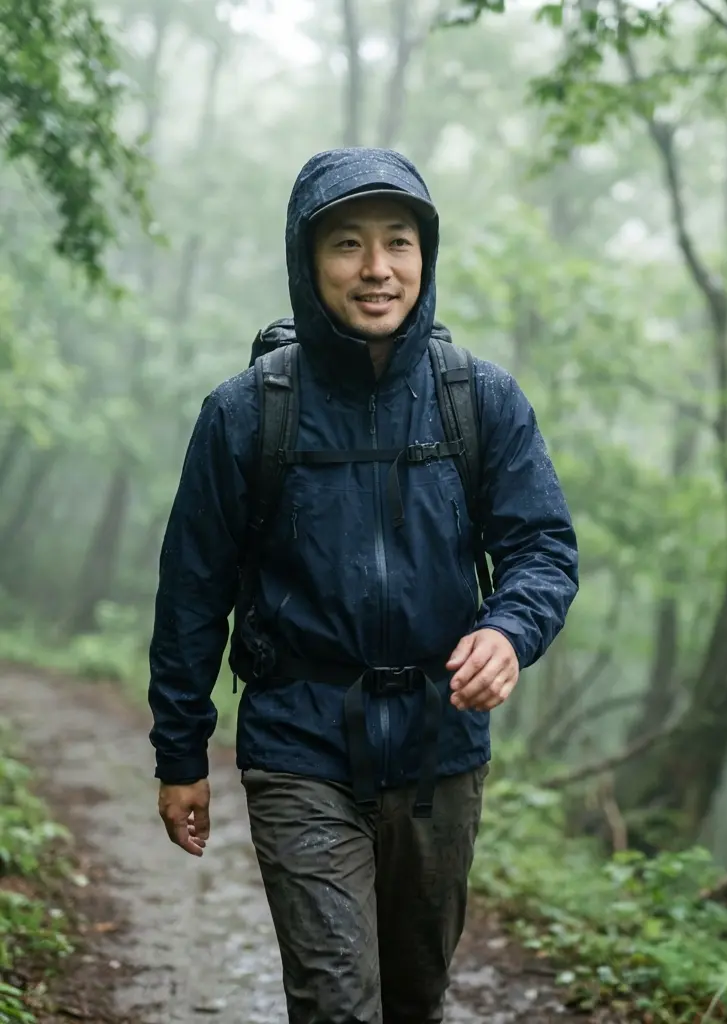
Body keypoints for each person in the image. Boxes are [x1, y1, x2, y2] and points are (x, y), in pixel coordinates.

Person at [146, 146, 579, 1023]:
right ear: (308, 263)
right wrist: (181, 753)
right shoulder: (246, 412)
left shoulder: (480, 401)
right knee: (337, 1002)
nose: (378, 269)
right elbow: (194, 589)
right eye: (347, 244)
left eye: (400, 243)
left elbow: (541, 547)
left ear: (426, 256)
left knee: (415, 999)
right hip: (299, 747)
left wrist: (508, 632)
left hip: (439, 753)